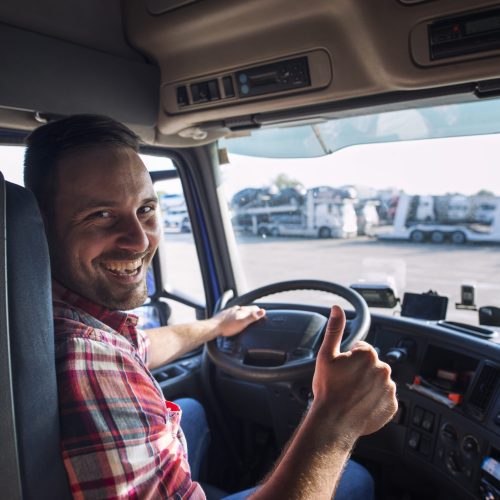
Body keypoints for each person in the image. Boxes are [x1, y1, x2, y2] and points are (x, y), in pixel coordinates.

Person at [24, 114, 398, 499]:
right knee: (354, 477)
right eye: (100, 215)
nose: (139, 241)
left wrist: (217, 325)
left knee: (192, 411)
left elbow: (140, 346)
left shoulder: (43, 315)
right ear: (40, 227)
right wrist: (335, 418)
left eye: (146, 210)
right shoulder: (89, 360)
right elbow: (104, 360)